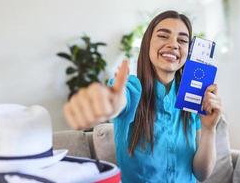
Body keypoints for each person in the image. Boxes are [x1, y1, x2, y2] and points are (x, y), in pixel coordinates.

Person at [63, 10, 222, 183]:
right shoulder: (132, 89)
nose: (174, 44)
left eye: (182, 40)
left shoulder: (194, 100)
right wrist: (110, 101)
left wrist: (209, 129)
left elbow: (202, 174)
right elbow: (119, 99)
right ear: (147, 44)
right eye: (163, 36)